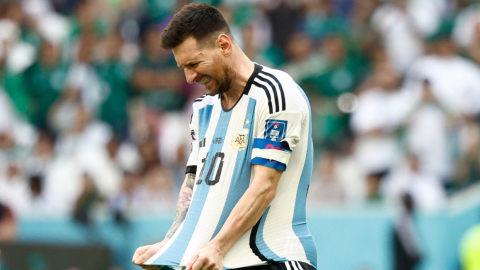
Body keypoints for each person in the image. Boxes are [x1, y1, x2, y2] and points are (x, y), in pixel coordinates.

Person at [132, 3, 317, 270]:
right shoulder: (202, 109)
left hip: (275, 259)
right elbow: (193, 187)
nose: (189, 77)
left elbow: (264, 188)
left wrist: (217, 246)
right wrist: (172, 244)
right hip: (223, 262)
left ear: (224, 45)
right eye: (183, 67)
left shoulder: (276, 93)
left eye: (194, 63)